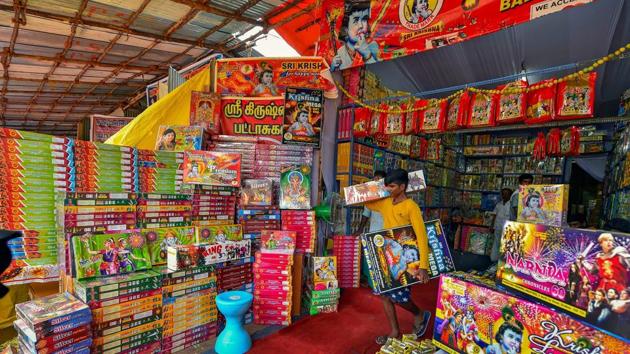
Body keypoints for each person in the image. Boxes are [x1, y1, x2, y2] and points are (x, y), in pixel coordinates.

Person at [364, 169, 431, 344]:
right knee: (385, 296)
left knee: (399, 298)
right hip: (386, 255)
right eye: (387, 185)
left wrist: (423, 266)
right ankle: (394, 331)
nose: (388, 188)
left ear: (402, 187)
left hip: (406, 259)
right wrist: (377, 187)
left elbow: (422, 236)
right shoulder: (385, 202)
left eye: (392, 186)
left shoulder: (411, 207)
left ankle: (419, 313)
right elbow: (367, 203)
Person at [331, 0, 380, 71]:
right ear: (345, 26)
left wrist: (367, 55)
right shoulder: (339, 53)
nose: (361, 26)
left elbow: (379, 75)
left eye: (364, 19)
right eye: (356, 20)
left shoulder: (373, 47)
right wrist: (333, 67)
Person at [490, 188, 512, 262]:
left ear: (510, 195)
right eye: (503, 193)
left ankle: (501, 261)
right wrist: (492, 226)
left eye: (506, 193)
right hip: (497, 226)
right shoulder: (499, 204)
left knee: (504, 245)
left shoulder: (511, 205)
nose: (504, 195)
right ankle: (493, 259)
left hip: (507, 228)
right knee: (496, 243)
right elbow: (494, 215)